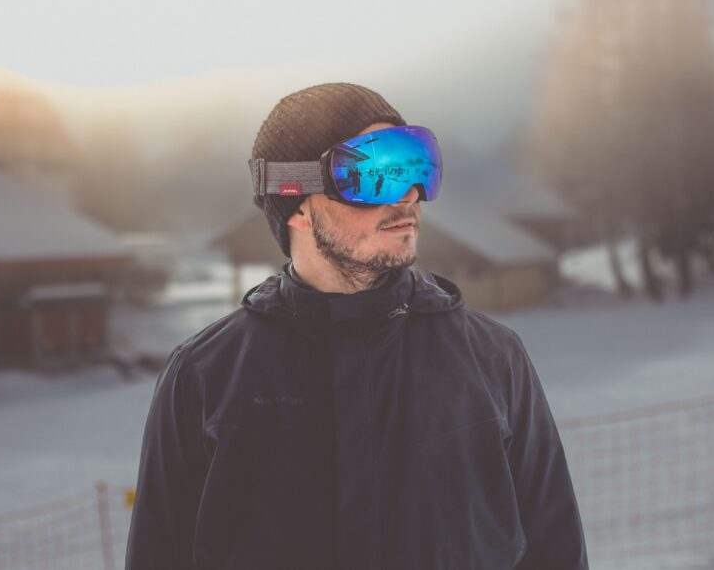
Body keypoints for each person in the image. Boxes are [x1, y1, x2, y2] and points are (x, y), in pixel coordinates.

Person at [125, 83, 589, 570]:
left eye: (415, 168)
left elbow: (556, 550)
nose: (409, 195)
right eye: (375, 173)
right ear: (296, 201)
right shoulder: (204, 377)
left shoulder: (494, 360)